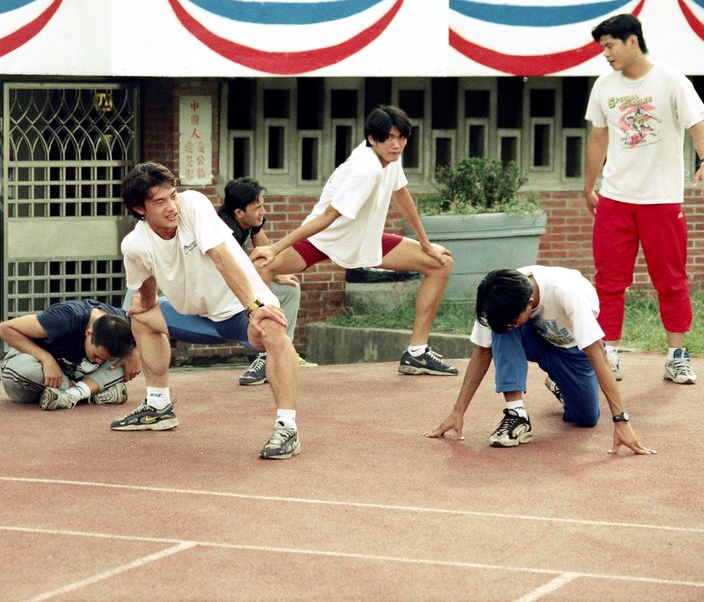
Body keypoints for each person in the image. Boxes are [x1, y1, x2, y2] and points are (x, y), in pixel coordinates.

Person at [250, 105, 458, 377]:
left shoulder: (390, 158)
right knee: (262, 267)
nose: (396, 144)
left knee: (440, 262)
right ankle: (269, 356)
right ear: (372, 139)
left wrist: (425, 243)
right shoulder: (366, 169)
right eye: (389, 138)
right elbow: (327, 216)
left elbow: (402, 195)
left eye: (401, 137)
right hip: (323, 238)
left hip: (365, 239)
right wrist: (275, 248)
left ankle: (416, 353)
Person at [116, 162, 302, 460]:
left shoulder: (193, 205)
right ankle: (158, 406)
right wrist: (144, 307)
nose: (171, 207)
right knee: (140, 317)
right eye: (160, 202)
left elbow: (221, 257)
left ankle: (286, 427)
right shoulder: (135, 245)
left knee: (274, 330)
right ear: (140, 209)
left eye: (172, 196)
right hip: (194, 317)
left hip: (239, 310)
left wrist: (254, 308)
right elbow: (145, 284)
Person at [584, 13, 704, 385]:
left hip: (662, 199)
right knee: (609, 280)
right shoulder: (604, 85)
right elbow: (598, 138)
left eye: (609, 46)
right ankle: (610, 353)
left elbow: (697, 125)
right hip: (616, 198)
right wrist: (589, 185)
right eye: (602, 48)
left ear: (631, 40)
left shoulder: (671, 81)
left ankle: (676, 355)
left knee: (670, 280)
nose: (605, 54)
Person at [425, 267, 654, 455]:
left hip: (570, 352)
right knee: (503, 330)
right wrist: (458, 411)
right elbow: (483, 352)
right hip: (533, 342)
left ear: (530, 302)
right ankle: (517, 416)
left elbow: (598, 356)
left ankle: (560, 383)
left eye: (516, 319)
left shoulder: (567, 292)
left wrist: (621, 421)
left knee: (586, 418)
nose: (509, 323)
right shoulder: (498, 297)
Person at [218, 177, 317, 386]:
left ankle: (281, 349)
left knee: (289, 289)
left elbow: (265, 252)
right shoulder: (226, 231)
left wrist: (278, 273)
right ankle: (269, 355)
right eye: (258, 208)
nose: (263, 211)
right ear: (239, 213)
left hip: (238, 284)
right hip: (222, 290)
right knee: (278, 295)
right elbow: (235, 269)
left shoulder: (251, 220)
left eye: (262, 205)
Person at [0, 299, 139, 410]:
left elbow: (156, 337)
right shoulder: (64, 318)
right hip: (37, 373)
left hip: (74, 379)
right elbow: (4, 329)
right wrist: (46, 359)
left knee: (132, 360)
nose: (98, 362)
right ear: (89, 333)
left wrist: (135, 351)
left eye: (104, 360)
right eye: (96, 356)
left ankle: (70, 396)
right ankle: (92, 392)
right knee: (25, 369)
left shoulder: (124, 324)